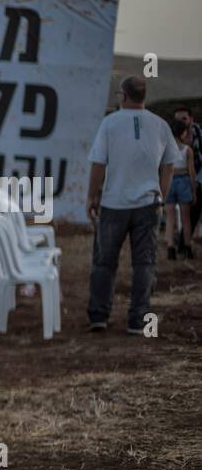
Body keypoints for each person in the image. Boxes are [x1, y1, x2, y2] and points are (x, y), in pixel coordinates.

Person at [87, 75, 180, 334]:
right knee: (144, 263)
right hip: (148, 204)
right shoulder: (160, 125)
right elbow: (169, 165)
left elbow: (98, 163)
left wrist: (91, 196)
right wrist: (160, 195)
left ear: (124, 96)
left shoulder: (109, 123)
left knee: (104, 262)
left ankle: (99, 316)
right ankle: (138, 320)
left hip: (114, 203)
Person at [165, 117, 196, 259]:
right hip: (183, 181)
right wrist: (194, 191)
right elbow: (191, 172)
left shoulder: (166, 148)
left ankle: (170, 247)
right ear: (183, 133)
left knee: (170, 217)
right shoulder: (188, 150)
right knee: (186, 218)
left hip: (170, 180)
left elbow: (163, 169)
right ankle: (187, 247)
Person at [172, 106, 202, 243]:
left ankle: (184, 240)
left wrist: (197, 180)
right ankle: (182, 241)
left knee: (196, 203)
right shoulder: (172, 136)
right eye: (178, 119)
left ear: (191, 119)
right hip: (180, 177)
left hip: (199, 174)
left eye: (184, 118)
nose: (181, 122)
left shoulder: (199, 132)